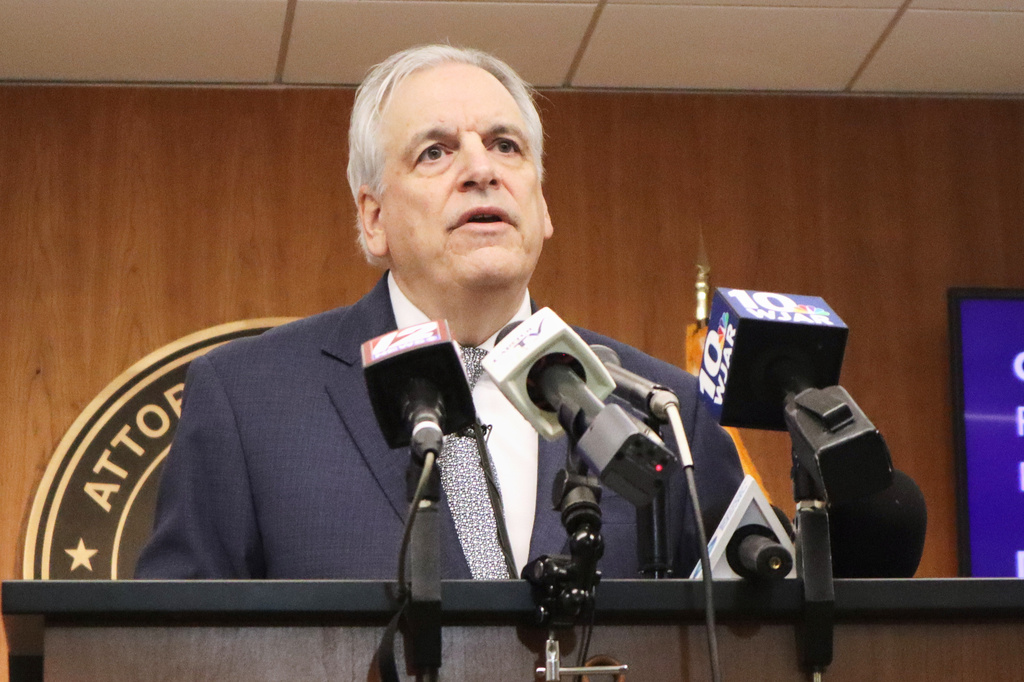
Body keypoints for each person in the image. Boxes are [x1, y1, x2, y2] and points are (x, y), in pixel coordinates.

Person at [135, 45, 742, 581]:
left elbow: (761, 637)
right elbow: (171, 648)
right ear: (373, 220)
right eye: (435, 152)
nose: (482, 171)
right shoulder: (249, 399)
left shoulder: (665, 410)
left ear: (543, 205)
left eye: (506, 146)